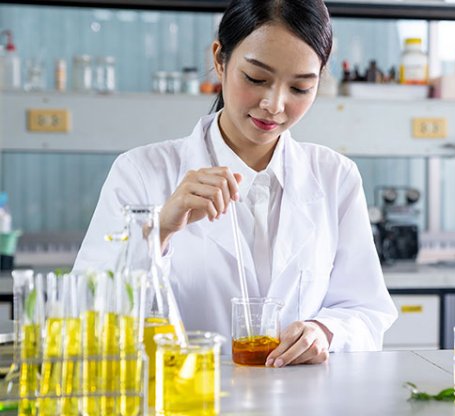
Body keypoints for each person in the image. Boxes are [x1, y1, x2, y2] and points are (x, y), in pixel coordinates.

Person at [74, 0, 397, 367]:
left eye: (301, 88)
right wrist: (158, 230)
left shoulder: (335, 176)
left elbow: (366, 310)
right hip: (183, 401)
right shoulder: (141, 172)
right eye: (256, 79)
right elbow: (85, 312)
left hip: (299, 406)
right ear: (220, 59)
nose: (274, 105)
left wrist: (323, 331)